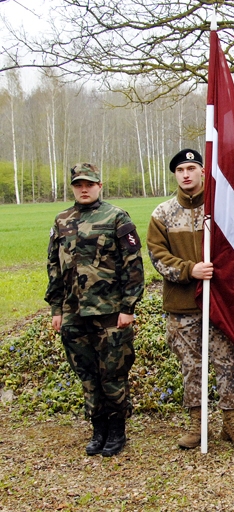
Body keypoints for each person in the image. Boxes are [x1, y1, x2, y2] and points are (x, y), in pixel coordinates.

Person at [147, 149, 234, 449]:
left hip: (221, 302)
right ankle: (197, 423)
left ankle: (231, 422)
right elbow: (157, 255)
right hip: (182, 306)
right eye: (180, 170)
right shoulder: (163, 214)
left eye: (192, 168)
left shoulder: (221, 208)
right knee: (191, 366)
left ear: (203, 171)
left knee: (227, 362)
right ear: (175, 175)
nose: (186, 174)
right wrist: (189, 269)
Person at [45, 163, 144, 457]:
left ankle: (117, 430)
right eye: (78, 185)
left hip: (110, 311)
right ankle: (98, 428)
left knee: (112, 373)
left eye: (89, 184)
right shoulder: (62, 220)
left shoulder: (116, 217)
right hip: (73, 313)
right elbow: (54, 266)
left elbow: (133, 265)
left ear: (100, 185)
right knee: (87, 374)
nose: (84, 189)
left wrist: (128, 307)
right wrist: (56, 308)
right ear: (73, 187)